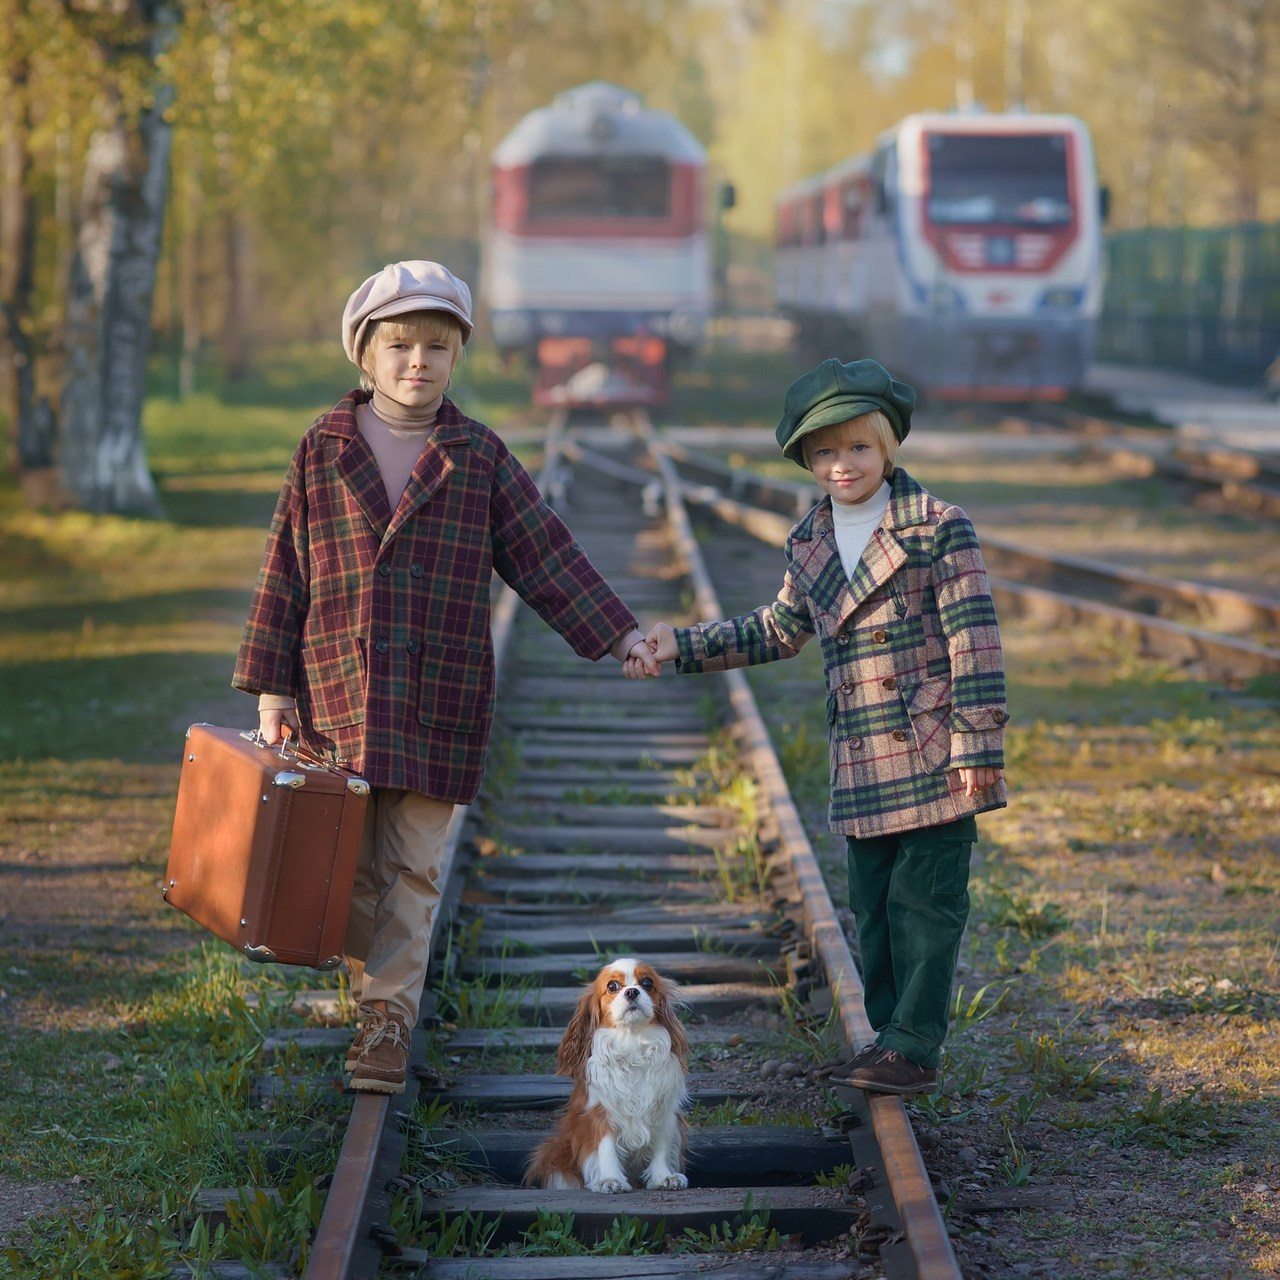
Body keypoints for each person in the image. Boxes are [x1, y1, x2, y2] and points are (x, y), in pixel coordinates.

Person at [233, 260, 659, 1094]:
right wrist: (273, 689)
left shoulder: (477, 455)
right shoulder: (322, 449)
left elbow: (545, 555)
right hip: (336, 693)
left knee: (416, 866)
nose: (416, 361)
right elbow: (283, 569)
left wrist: (619, 636)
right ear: (365, 356)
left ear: (458, 356)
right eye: (398, 346)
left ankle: (387, 1019)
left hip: (439, 697)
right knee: (351, 866)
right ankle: (371, 993)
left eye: (436, 346)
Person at [630, 358, 1007, 1095]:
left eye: (858, 448)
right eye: (825, 452)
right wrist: (682, 643)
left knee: (926, 907)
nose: (842, 465)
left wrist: (978, 743)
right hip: (862, 758)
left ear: (888, 448)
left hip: (932, 751)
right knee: (872, 910)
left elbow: (976, 641)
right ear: (805, 458)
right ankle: (889, 1035)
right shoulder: (809, 540)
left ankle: (913, 1046)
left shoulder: (938, 527)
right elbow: (779, 629)